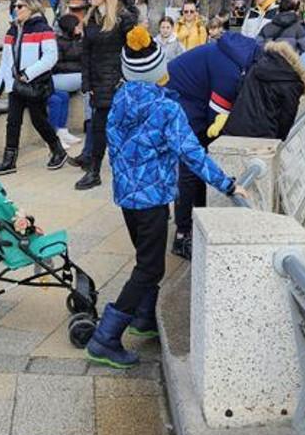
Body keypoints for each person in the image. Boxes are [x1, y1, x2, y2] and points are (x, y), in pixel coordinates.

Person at [86, 26, 246, 369]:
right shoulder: (166, 109)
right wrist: (228, 185)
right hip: (152, 199)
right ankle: (106, 337)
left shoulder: (119, 100)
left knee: (146, 258)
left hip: (127, 198)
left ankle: (144, 318)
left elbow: (112, 146)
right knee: (150, 267)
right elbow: (193, 154)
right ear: (158, 69)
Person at [164, 30, 261, 259]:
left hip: (189, 100)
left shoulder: (235, 56)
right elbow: (216, 118)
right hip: (180, 102)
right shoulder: (230, 70)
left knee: (198, 166)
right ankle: (183, 234)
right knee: (190, 168)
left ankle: (198, 220)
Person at [0, 0, 66, 175]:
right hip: (15, 84)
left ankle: (57, 150)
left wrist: (28, 74)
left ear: (31, 8)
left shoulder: (43, 29)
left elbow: (50, 57)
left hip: (35, 84)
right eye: (15, 6)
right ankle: (9, 161)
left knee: (39, 120)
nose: (16, 10)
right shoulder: (12, 30)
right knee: (13, 121)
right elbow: (5, 61)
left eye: (20, 6)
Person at [75, 0, 137, 190]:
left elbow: (134, 51)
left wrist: (125, 79)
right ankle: (94, 171)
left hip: (119, 83)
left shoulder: (123, 18)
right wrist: (86, 84)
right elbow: (85, 54)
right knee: (98, 129)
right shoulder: (91, 18)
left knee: (122, 130)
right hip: (98, 84)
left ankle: (126, 173)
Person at [221, 44, 305, 139]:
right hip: (261, 139)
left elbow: (240, 90)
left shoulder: (262, 63)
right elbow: (285, 121)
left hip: (233, 129)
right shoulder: (293, 85)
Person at [48, 1, 86, 150]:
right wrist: (78, 68)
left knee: (62, 97)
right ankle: (53, 136)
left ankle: (62, 130)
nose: (79, 28)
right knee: (87, 79)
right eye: (77, 25)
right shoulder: (58, 43)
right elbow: (56, 65)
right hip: (58, 78)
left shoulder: (79, 41)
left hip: (69, 79)